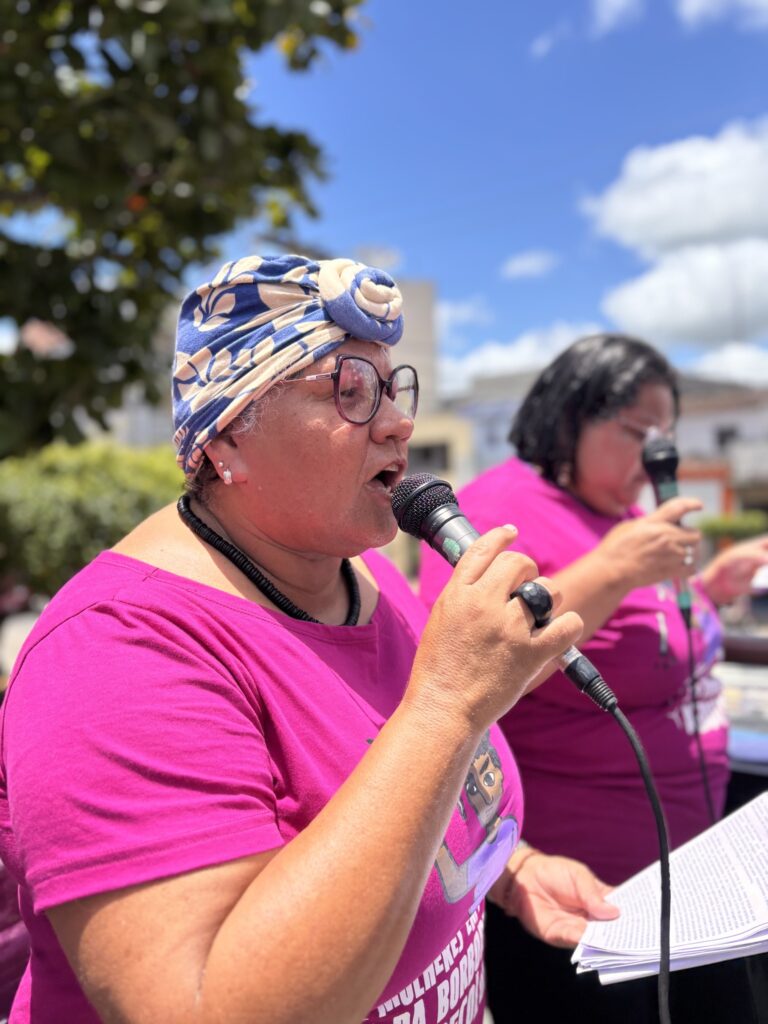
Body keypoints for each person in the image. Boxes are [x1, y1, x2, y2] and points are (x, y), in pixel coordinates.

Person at [0, 255, 619, 1024]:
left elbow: (411, 803)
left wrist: (510, 869)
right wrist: (448, 704)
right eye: (348, 390)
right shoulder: (113, 653)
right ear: (226, 441)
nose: (397, 422)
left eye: (392, 388)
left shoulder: (362, 573)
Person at [419, 332, 768, 1024]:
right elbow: (469, 664)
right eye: (640, 431)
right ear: (571, 416)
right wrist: (613, 569)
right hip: (581, 899)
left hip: (693, 879)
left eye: (667, 435)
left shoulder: (626, 515)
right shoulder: (497, 512)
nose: (659, 455)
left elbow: (645, 637)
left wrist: (712, 590)